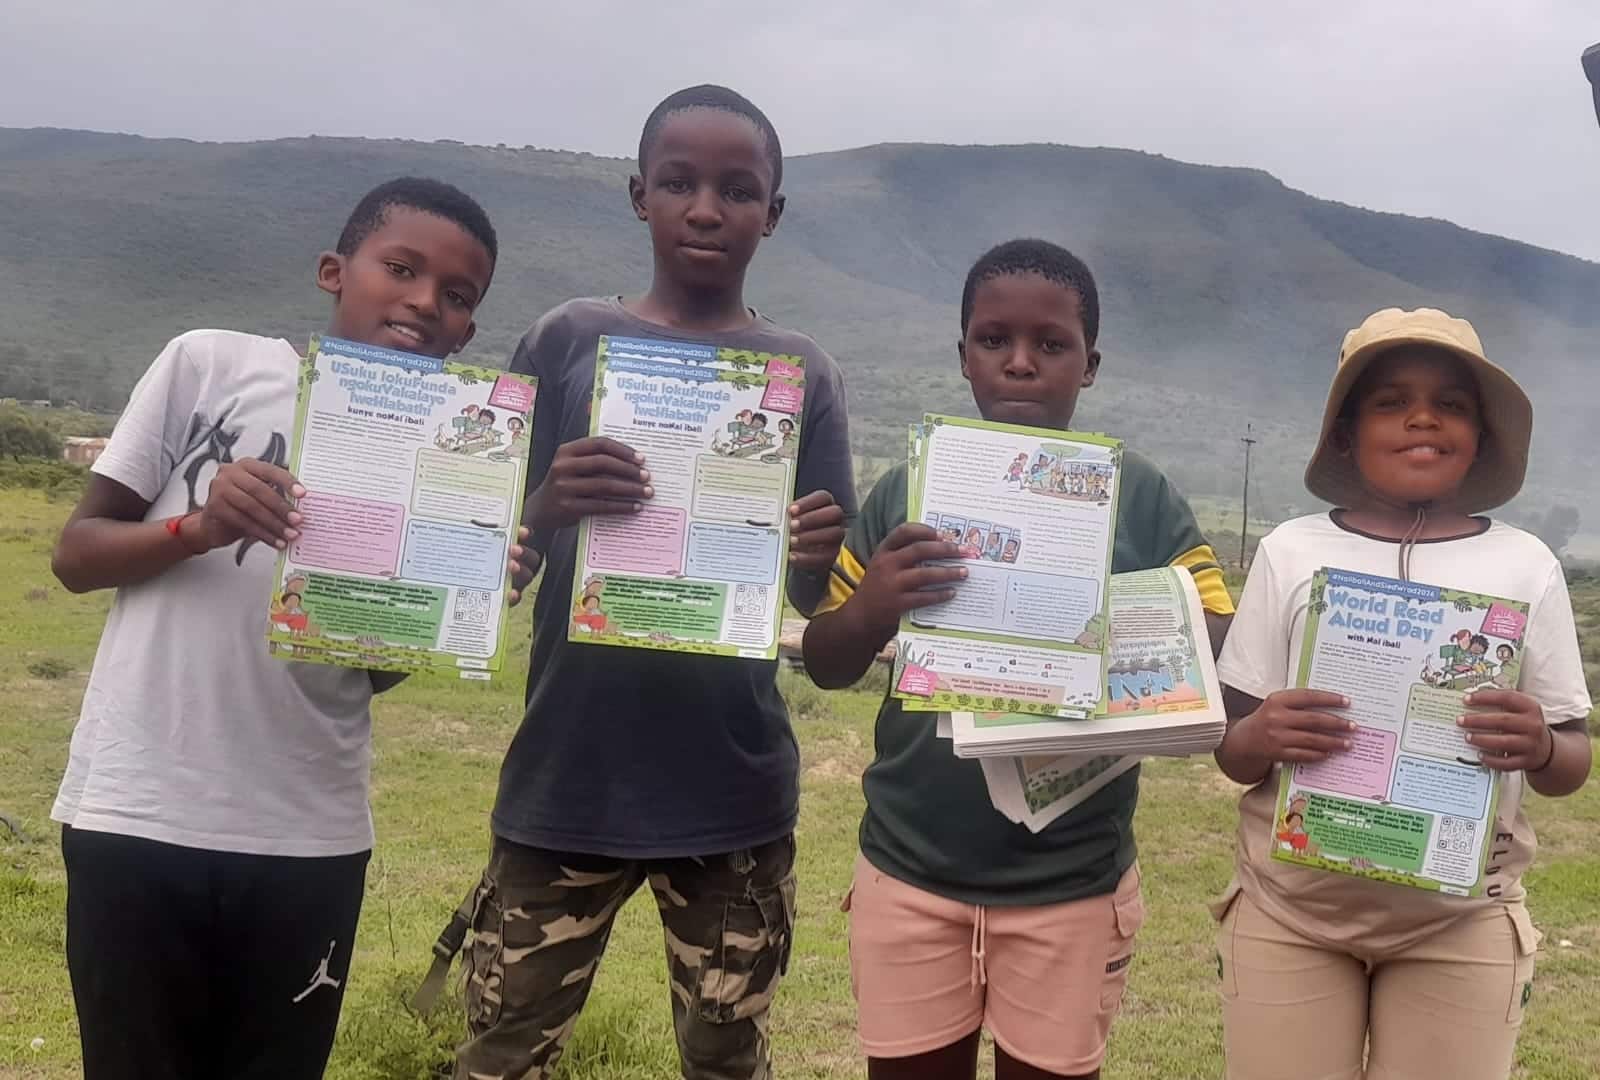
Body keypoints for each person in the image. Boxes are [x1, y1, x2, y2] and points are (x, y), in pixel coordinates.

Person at [48, 177, 534, 1079]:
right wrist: (197, 527)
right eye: (401, 269)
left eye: (457, 294)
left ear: (468, 330)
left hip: (309, 836)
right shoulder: (210, 365)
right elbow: (76, 556)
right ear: (333, 271)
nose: (424, 301)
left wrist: (453, 603)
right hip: (140, 811)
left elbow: (365, 673)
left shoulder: (450, 450)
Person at [447, 85, 855, 1080]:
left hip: (731, 793)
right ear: (640, 195)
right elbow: (473, 559)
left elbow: (818, 604)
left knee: (726, 1059)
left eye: (736, 190)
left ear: (772, 212)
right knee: (502, 1053)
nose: (705, 209)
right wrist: (545, 503)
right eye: (679, 183)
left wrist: (812, 560)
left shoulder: (801, 373)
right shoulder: (565, 340)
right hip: (567, 774)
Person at [802, 239, 1234, 1080]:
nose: (1021, 363)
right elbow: (825, 661)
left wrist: (1106, 627)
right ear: (963, 354)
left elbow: (1216, 632)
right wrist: (875, 601)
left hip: (1070, 881)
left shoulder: (1138, 494)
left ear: (1090, 365)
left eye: (1052, 344)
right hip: (910, 867)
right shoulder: (907, 491)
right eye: (994, 340)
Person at [1211, 307, 1593, 1080]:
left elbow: (1572, 760)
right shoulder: (1292, 551)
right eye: (1391, 402)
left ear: (1481, 435)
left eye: (1451, 404)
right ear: (1346, 433)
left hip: (1463, 922)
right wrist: (1263, 733)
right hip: (1292, 913)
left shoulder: (1526, 565)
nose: (1423, 418)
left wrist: (1541, 745)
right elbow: (1233, 749)